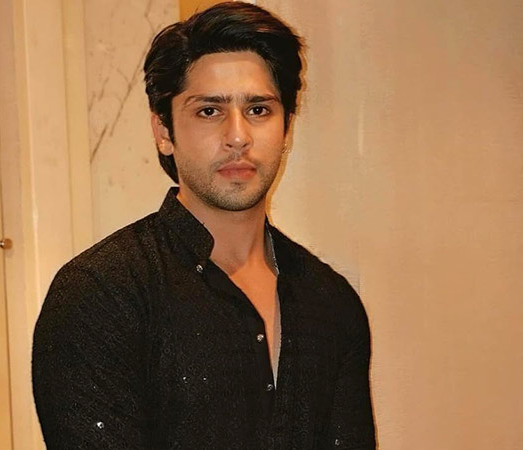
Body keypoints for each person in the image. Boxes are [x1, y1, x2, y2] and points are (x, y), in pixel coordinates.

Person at [32, 2, 375, 449]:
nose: (238, 136)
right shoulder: (101, 295)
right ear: (164, 132)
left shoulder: (331, 302)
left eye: (259, 110)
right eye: (209, 111)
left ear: (286, 129)